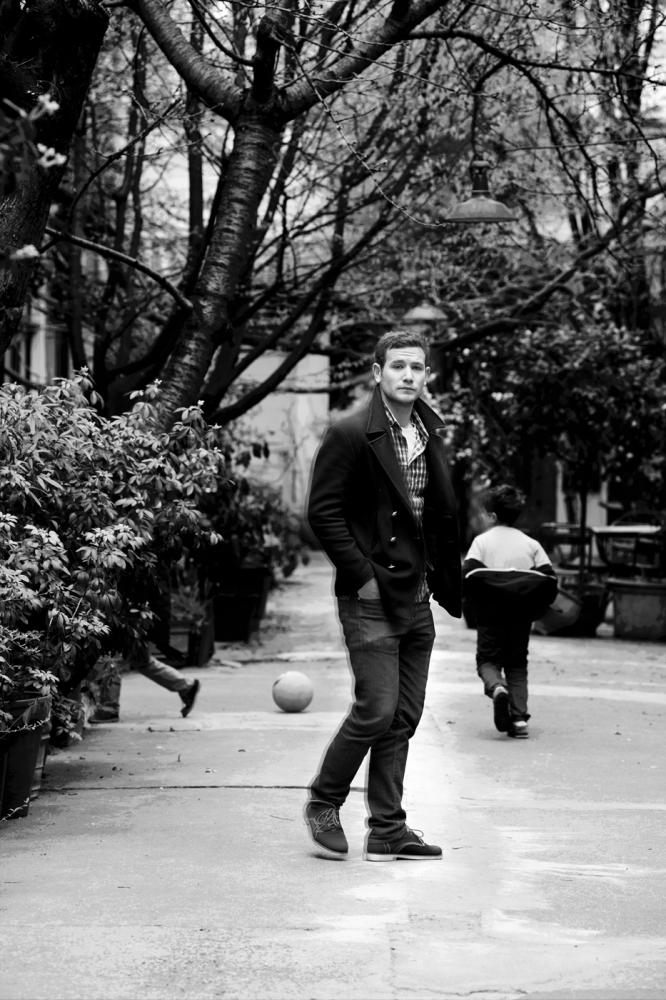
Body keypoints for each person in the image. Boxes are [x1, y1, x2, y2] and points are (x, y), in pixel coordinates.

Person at [305, 330, 462, 862]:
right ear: (378, 373)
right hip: (371, 596)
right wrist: (363, 576)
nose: (408, 375)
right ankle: (324, 802)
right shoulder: (352, 433)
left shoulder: (429, 433)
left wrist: (444, 579)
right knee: (376, 710)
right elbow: (323, 513)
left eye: (417, 367)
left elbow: (438, 513)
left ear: (426, 376)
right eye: (398, 366)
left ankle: (387, 830)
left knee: (403, 717)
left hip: (417, 596)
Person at [462, 484, 557, 739]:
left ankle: (497, 687)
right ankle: (519, 719)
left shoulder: (482, 542)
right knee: (517, 664)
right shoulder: (531, 544)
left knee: (487, 661)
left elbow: (467, 576)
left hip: (489, 615)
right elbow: (549, 578)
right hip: (521, 615)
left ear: (493, 516)